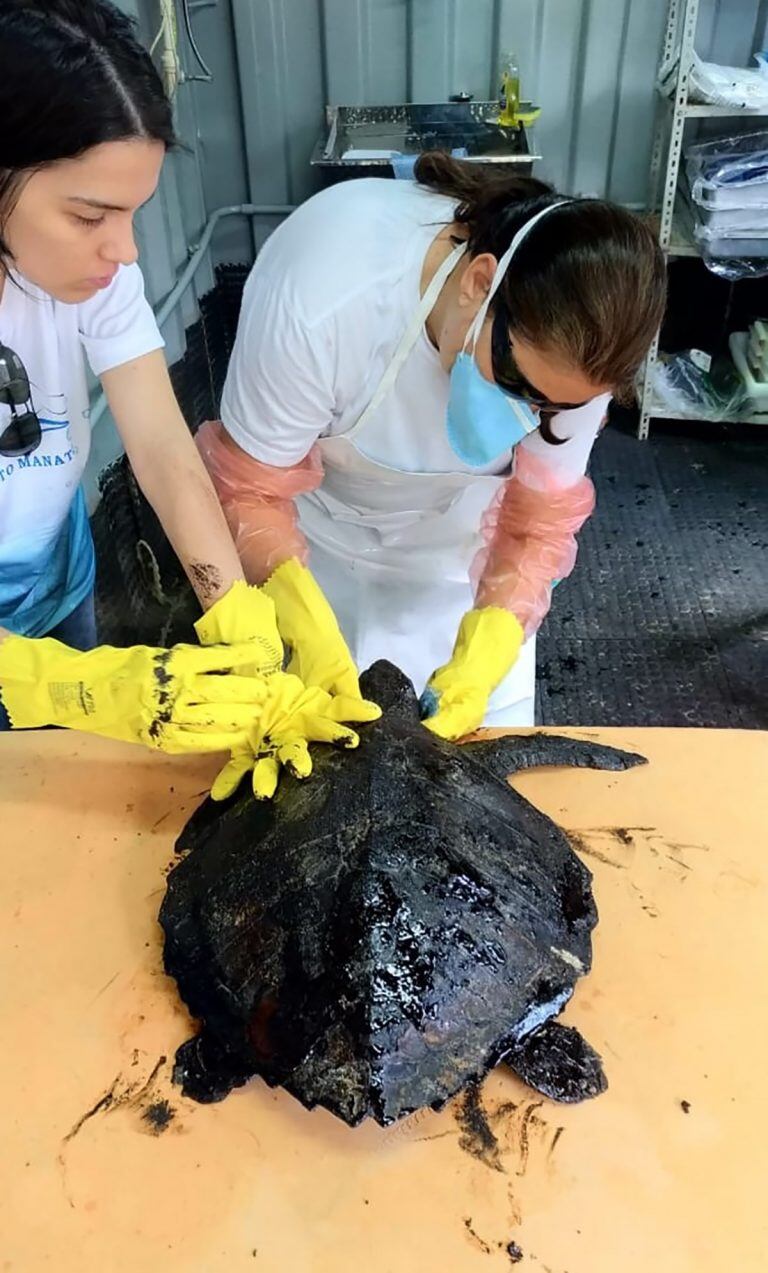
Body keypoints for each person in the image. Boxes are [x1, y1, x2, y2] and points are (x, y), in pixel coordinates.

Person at [0, 0, 378, 799]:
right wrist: (65, 686)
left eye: (133, 213)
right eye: (88, 214)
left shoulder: (95, 275)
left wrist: (233, 611)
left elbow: (164, 450)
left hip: (54, 583)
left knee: (52, 790)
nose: (124, 249)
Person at [198, 154, 667, 739]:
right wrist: (299, 617)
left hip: (464, 574)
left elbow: (535, 525)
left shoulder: (583, 362)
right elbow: (248, 491)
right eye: (518, 384)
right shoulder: (325, 290)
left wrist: (489, 644)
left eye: (553, 407)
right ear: (478, 283)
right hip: (320, 563)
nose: (530, 415)